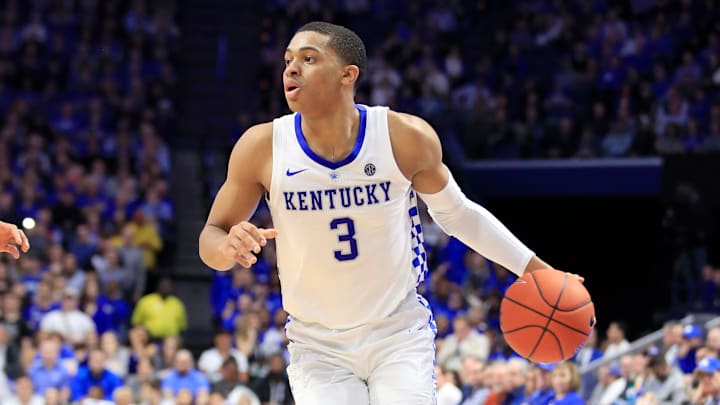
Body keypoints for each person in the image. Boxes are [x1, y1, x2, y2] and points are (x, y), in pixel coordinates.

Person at [198, 21, 568, 404]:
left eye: (309, 59)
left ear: (348, 74)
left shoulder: (403, 137)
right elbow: (211, 235)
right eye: (288, 60)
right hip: (317, 345)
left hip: (397, 333)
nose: (291, 69)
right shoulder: (262, 147)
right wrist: (227, 248)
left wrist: (538, 270)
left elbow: (459, 215)